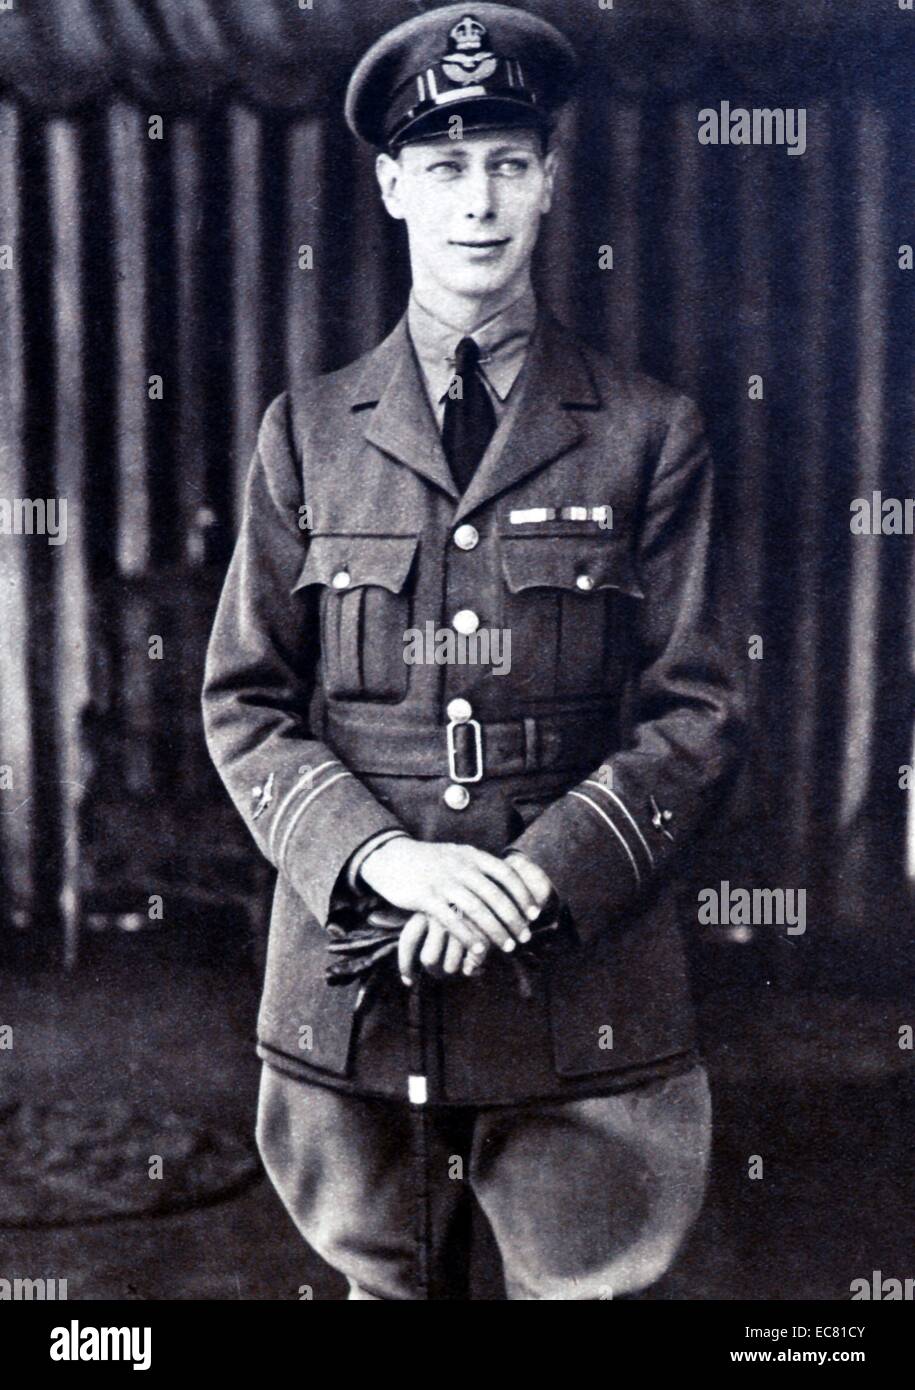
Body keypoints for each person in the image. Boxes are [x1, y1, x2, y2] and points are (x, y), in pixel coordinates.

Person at [202, 3, 745, 1300]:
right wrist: (388, 862)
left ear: (551, 180)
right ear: (394, 187)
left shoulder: (647, 432)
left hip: (578, 1001)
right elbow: (244, 702)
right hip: (355, 1003)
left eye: (507, 162)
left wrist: (522, 882)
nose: (479, 201)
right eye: (445, 167)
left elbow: (699, 711)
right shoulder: (310, 433)